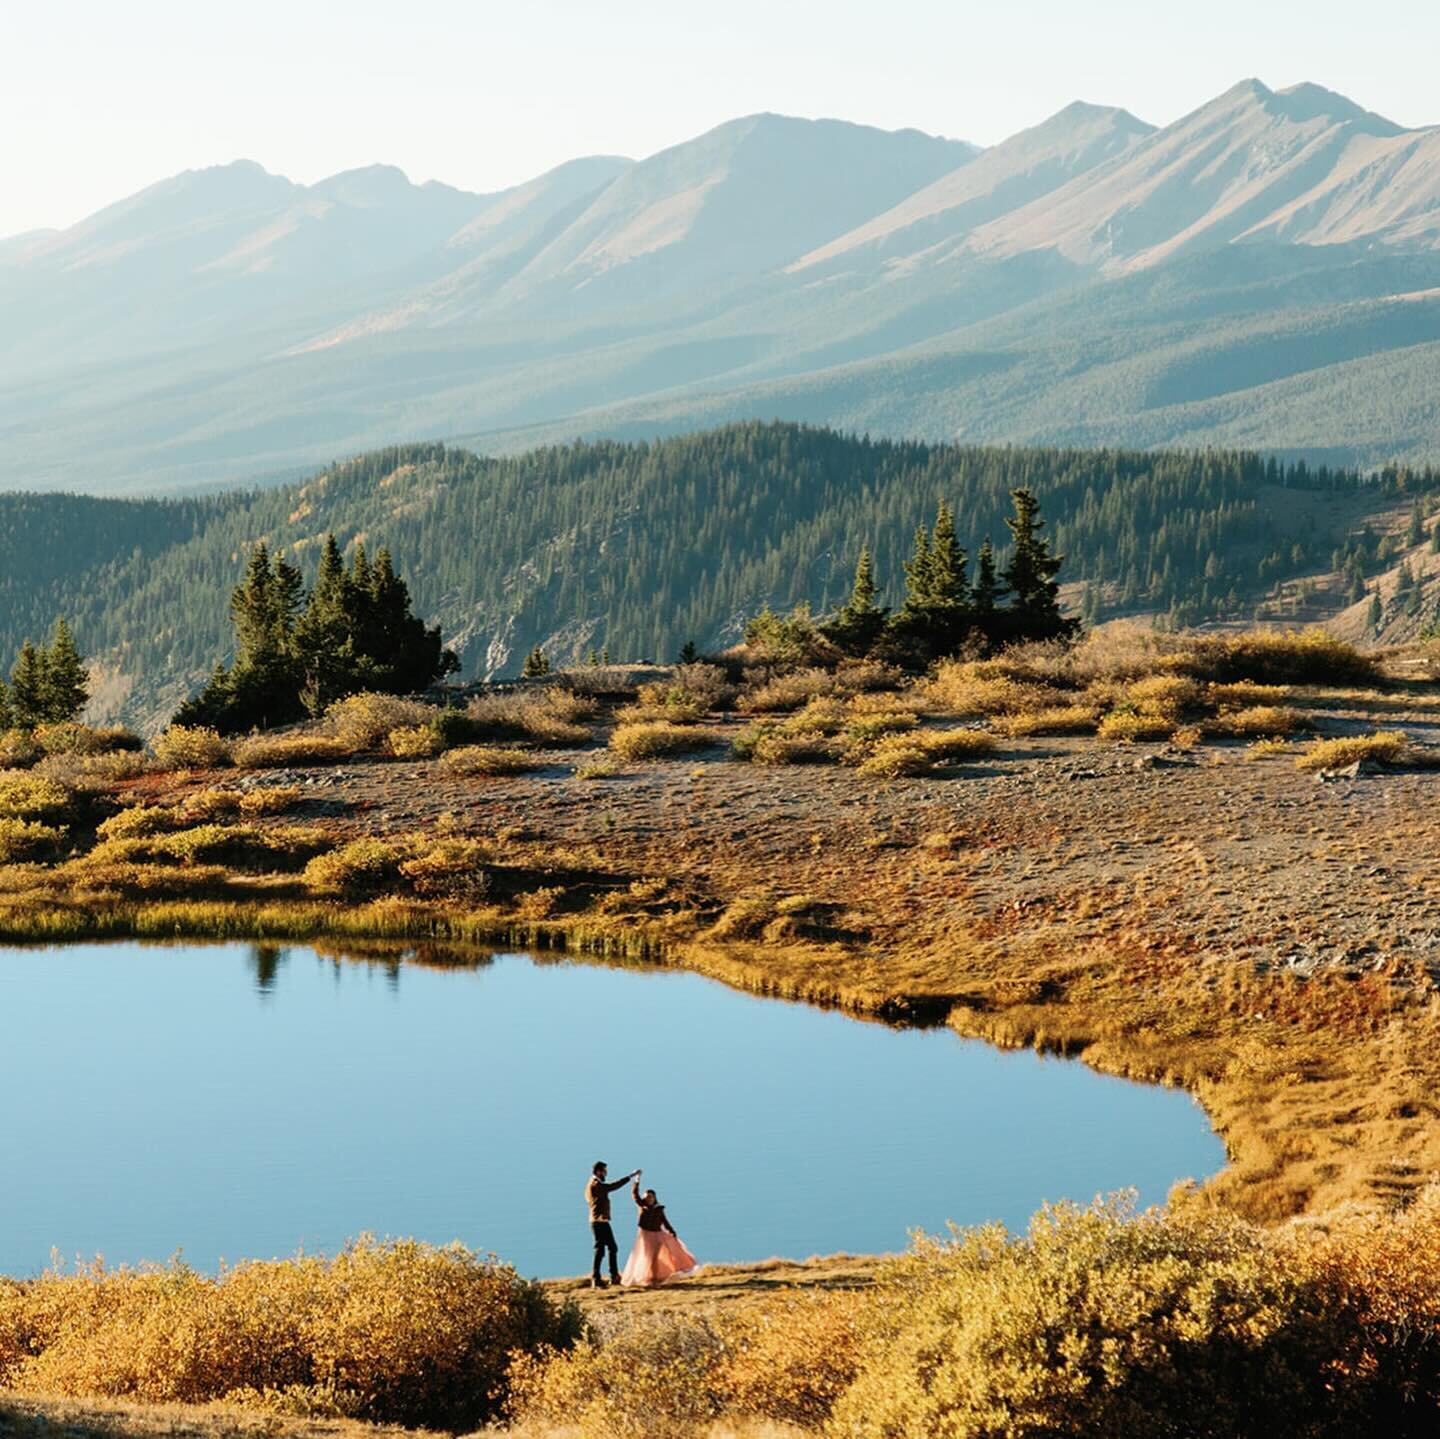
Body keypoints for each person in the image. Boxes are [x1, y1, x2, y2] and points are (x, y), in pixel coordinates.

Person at [619, 1173, 700, 1287]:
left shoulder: (659, 1209)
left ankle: (656, 1278)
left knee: (657, 1257)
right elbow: (635, 1194)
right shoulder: (642, 1205)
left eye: (651, 1197)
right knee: (648, 1257)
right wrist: (637, 1181)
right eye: (647, 1197)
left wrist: (672, 1231)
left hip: (658, 1235)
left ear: (654, 1198)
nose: (649, 1199)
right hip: (645, 1235)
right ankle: (650, 1278)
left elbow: (665, 1222)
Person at [586, 1160, 639, 1288]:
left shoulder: (591, 1184)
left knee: (610, 1248)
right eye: (605, 1171)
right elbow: (611, 1186)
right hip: (599, 1222)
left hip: (599, 1221)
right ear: (599, 1172)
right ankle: (598, 1278)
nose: (606, 1173)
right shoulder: (596, 1184)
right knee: (601, 1249)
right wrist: (630, 1177)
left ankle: (612, 1276)